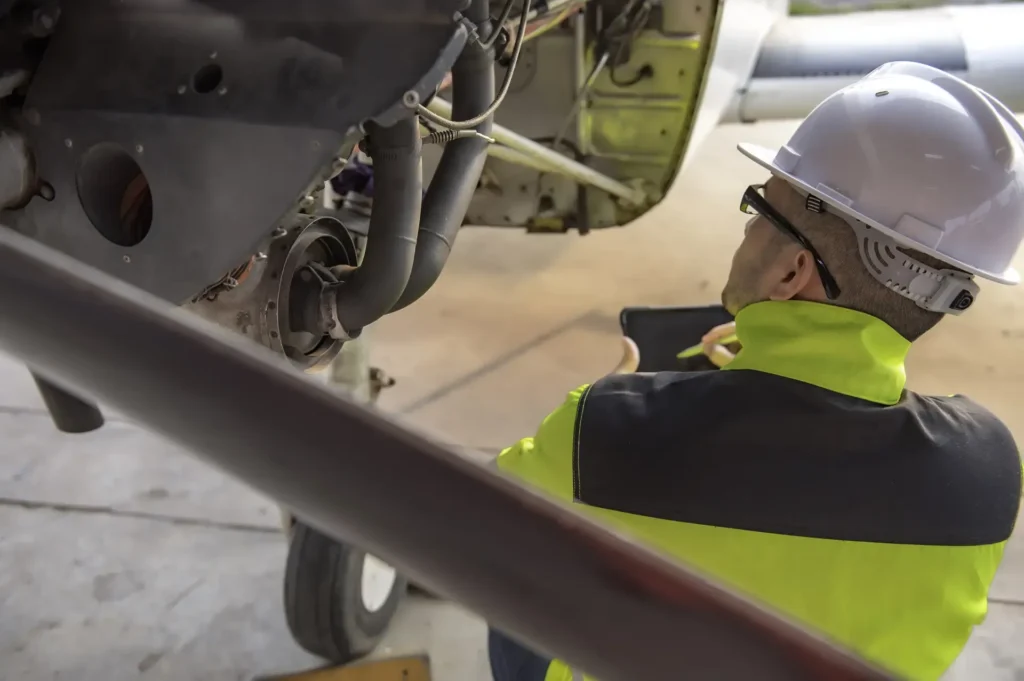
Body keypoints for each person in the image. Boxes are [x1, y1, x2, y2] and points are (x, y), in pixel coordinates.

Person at [488, 61, 1024, 681]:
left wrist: (619, 395)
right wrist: (771, 377)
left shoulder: (604, 430)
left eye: (761, 211)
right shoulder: (987, 470)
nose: (748, 228)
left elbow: (472, 527)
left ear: (791, 272)